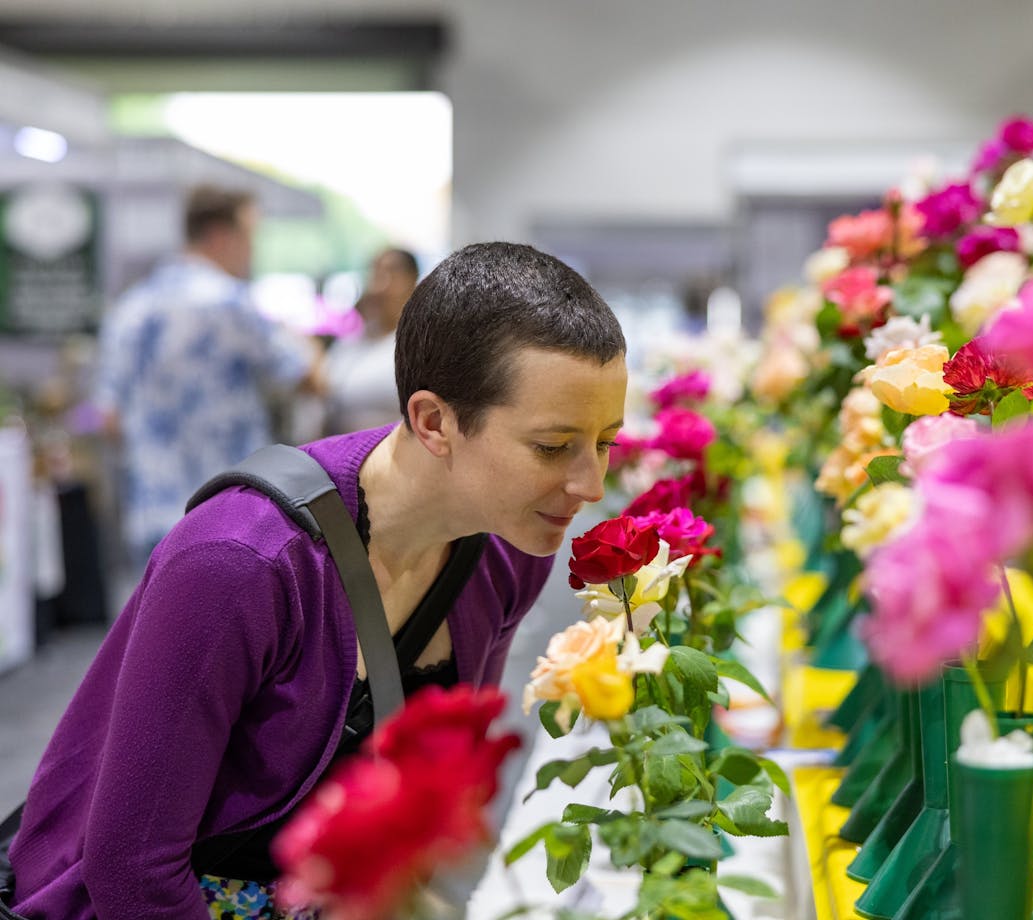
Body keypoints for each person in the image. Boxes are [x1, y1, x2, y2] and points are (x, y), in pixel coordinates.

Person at [10, 242, 629, 920]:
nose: (590, 485)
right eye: (551, 446)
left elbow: (418, 801)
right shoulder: (241, 563)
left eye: (606, 442)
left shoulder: (510, 549)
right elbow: (131, 872)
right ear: (432, 422)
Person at [93, 184, 322, 564]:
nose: (252, 249)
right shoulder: (230, 302)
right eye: (249, 235)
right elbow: (308, 379)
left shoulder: (132, 307)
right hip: (230, 517)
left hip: (155, 516)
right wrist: (305, 339)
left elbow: (109, 420)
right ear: (219, 235)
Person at [321, 247, 420, 435]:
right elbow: (324, 392)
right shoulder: (350, 343)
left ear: (413, 282)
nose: (379, 287)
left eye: (391, 274)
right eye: (376, 274)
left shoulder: (420, 346)